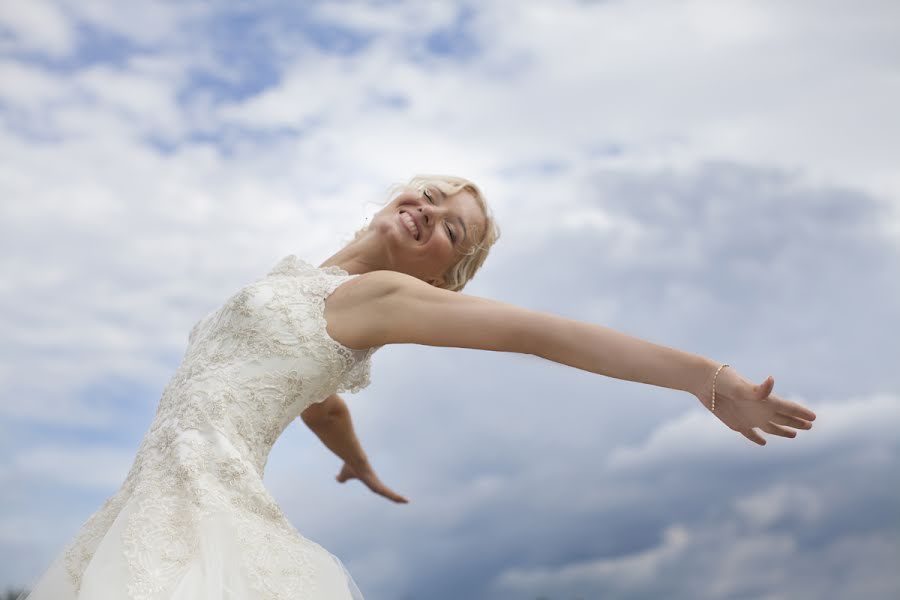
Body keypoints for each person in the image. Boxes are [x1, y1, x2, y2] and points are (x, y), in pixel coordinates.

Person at [18, 174, 817, 599]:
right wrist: (356, 459)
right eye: (430, 198)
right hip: (143, 501)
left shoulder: (383, 301)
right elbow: (313, 397)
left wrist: (703, 380)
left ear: (442, 275)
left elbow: (544, 334)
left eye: (450, 231)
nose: (430, 215)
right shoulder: (299, 282)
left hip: (202, 508)